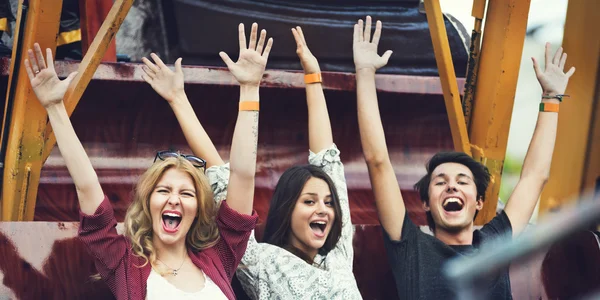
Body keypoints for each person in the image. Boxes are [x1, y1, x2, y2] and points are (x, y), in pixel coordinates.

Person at [23, 22, 272, 300]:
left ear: (199, 209)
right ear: (147, 202)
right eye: (164, 190)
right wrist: (55, 108)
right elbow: (86, 185)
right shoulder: (122, 262)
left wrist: (250, 89)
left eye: (186, 193)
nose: (174, 199)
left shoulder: (220, 255)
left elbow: (242, 176)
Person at [353, 15, 575, 299]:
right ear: (426, 204)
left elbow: (535, 177)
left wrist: (552, 99)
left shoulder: (495, 242)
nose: (452, 186)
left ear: (479, 202)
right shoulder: (411, 247)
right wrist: (365, 71)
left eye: (462, 181)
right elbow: (377, 162)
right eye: (440, 182)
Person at [149, 24, 362, 299]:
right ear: (287, 210)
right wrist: (178, 99)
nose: (323, 209)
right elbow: (226, 179)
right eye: (309, 201)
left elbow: (328, 162)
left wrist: (313, 77)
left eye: (328, 203)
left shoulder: (338, 254)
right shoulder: (261, 262)